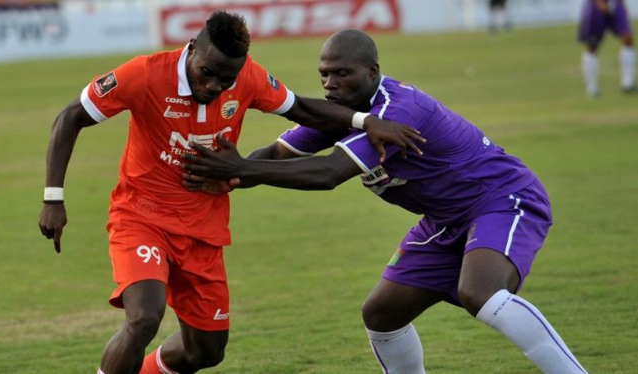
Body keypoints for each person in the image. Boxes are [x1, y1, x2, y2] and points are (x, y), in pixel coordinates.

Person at [182, 29, 590, 374]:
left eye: (342, 73)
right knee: (382, 314)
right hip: (445, 220)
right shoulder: (341, 114)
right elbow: (273, 158)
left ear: (372, 71)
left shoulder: (398, 111)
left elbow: (327, 175)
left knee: (478, 292)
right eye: (324, 75)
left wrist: (240, 170)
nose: (330, 84)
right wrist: (220, 172)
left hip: (501, 197)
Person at [37, 12, 424, 374]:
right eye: (207, 73)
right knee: (144, 318)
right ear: (192, 48)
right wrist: (53, 196)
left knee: (206, 350)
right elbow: (71, 116)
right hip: (142, 217)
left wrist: (367, 121)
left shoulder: (249, 78)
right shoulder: (144, 74)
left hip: (203, 229)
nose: (214, 87)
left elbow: (304, 110)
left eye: (226, 79)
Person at [579, 0, 636, 96]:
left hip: (615, 3)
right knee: (592, 45)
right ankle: (592, 88)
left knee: (627, 38)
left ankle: (628, 83)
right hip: (596, 6)